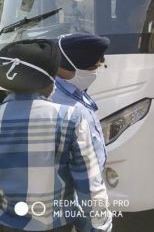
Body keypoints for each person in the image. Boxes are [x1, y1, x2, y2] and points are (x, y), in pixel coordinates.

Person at [0, 39, 112, 232]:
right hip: (56, 224)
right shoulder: (70, 118)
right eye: (53, 77)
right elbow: (89, 187)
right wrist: (99, 227)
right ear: (43, 81)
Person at [51, 33, 110, 172]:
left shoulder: (74, 90)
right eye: (91, 69)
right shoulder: (58, 103)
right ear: (63, 67)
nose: (94, 73)